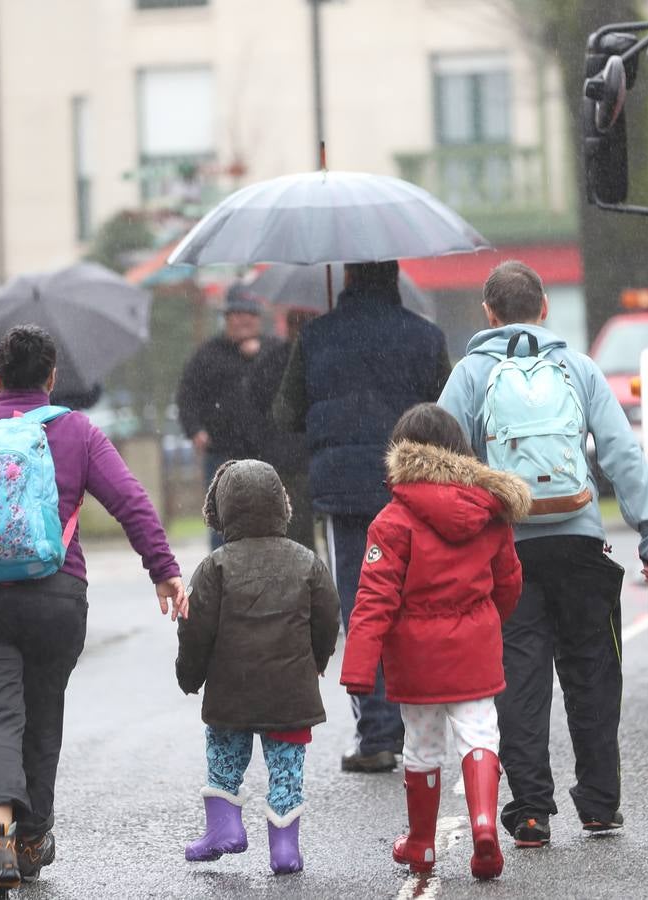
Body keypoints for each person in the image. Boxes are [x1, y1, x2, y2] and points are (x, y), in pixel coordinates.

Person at [0, 325, 186, 897]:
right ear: (51, 378)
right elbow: (130, 500)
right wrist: (163, 569)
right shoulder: (75, 431)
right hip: (54, 598)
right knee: (41, 717)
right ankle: (32, 837)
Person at [438, 260, 648, 848]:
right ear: (545, 307)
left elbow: (438, 461)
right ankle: (599, 805)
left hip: (507, 549)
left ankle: (533, 811)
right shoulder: (579, 368)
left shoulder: (470, 374)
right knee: (593, 671)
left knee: (518, 677)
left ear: (488, 314)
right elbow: (622, 455)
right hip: (580, 542)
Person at [272, 260, 452, 773]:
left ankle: (376, 733)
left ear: (347, 279)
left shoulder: (317, 337)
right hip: (412, 487)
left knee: (363, 607)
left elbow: (286, 415)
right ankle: (423, 725)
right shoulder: (426, 336)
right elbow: (446, 409)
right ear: (395, 280)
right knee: (415, 603)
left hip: (345, 493)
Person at [340, 403, 529, 880]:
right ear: (461, 451)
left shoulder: (392, 521)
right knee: (480, 734)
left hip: (416, 660)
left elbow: (373, 600)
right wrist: (486, 624)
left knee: (422, 747)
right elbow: (508, 583)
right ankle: (484, 824)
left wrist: (360, 669)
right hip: (475, 650)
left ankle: (422, 844)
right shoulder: (491, 512)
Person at [176, 459, 340, 875]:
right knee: (287, 770)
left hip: (232, 692)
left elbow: (194, 630)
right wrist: (317, 662)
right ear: (281, 506)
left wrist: (189, 675)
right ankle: (285, 850)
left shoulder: (215, 567)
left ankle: (225, 826)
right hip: (290, 693)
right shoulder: (307, 562)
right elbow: (328, 619)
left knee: (224, 754)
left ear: (223, 512)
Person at [177, 285, 280, 549]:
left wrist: (258, 358)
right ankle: (222, 578)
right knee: (221, 519)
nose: (244, 319)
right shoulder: (208, 354)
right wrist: (195, 430)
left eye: (250, 313)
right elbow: (187, 396)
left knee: (271, 518)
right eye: (237, 313)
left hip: (268, 452)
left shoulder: (275, 351)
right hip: (221, 453)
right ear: (226, 317)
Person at [246, 308, 318, 551]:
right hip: (309, 454)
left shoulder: (270, 361)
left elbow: (256, 409)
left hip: (285, 457)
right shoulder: (320, 357)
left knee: (295, 528)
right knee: (312, 527)